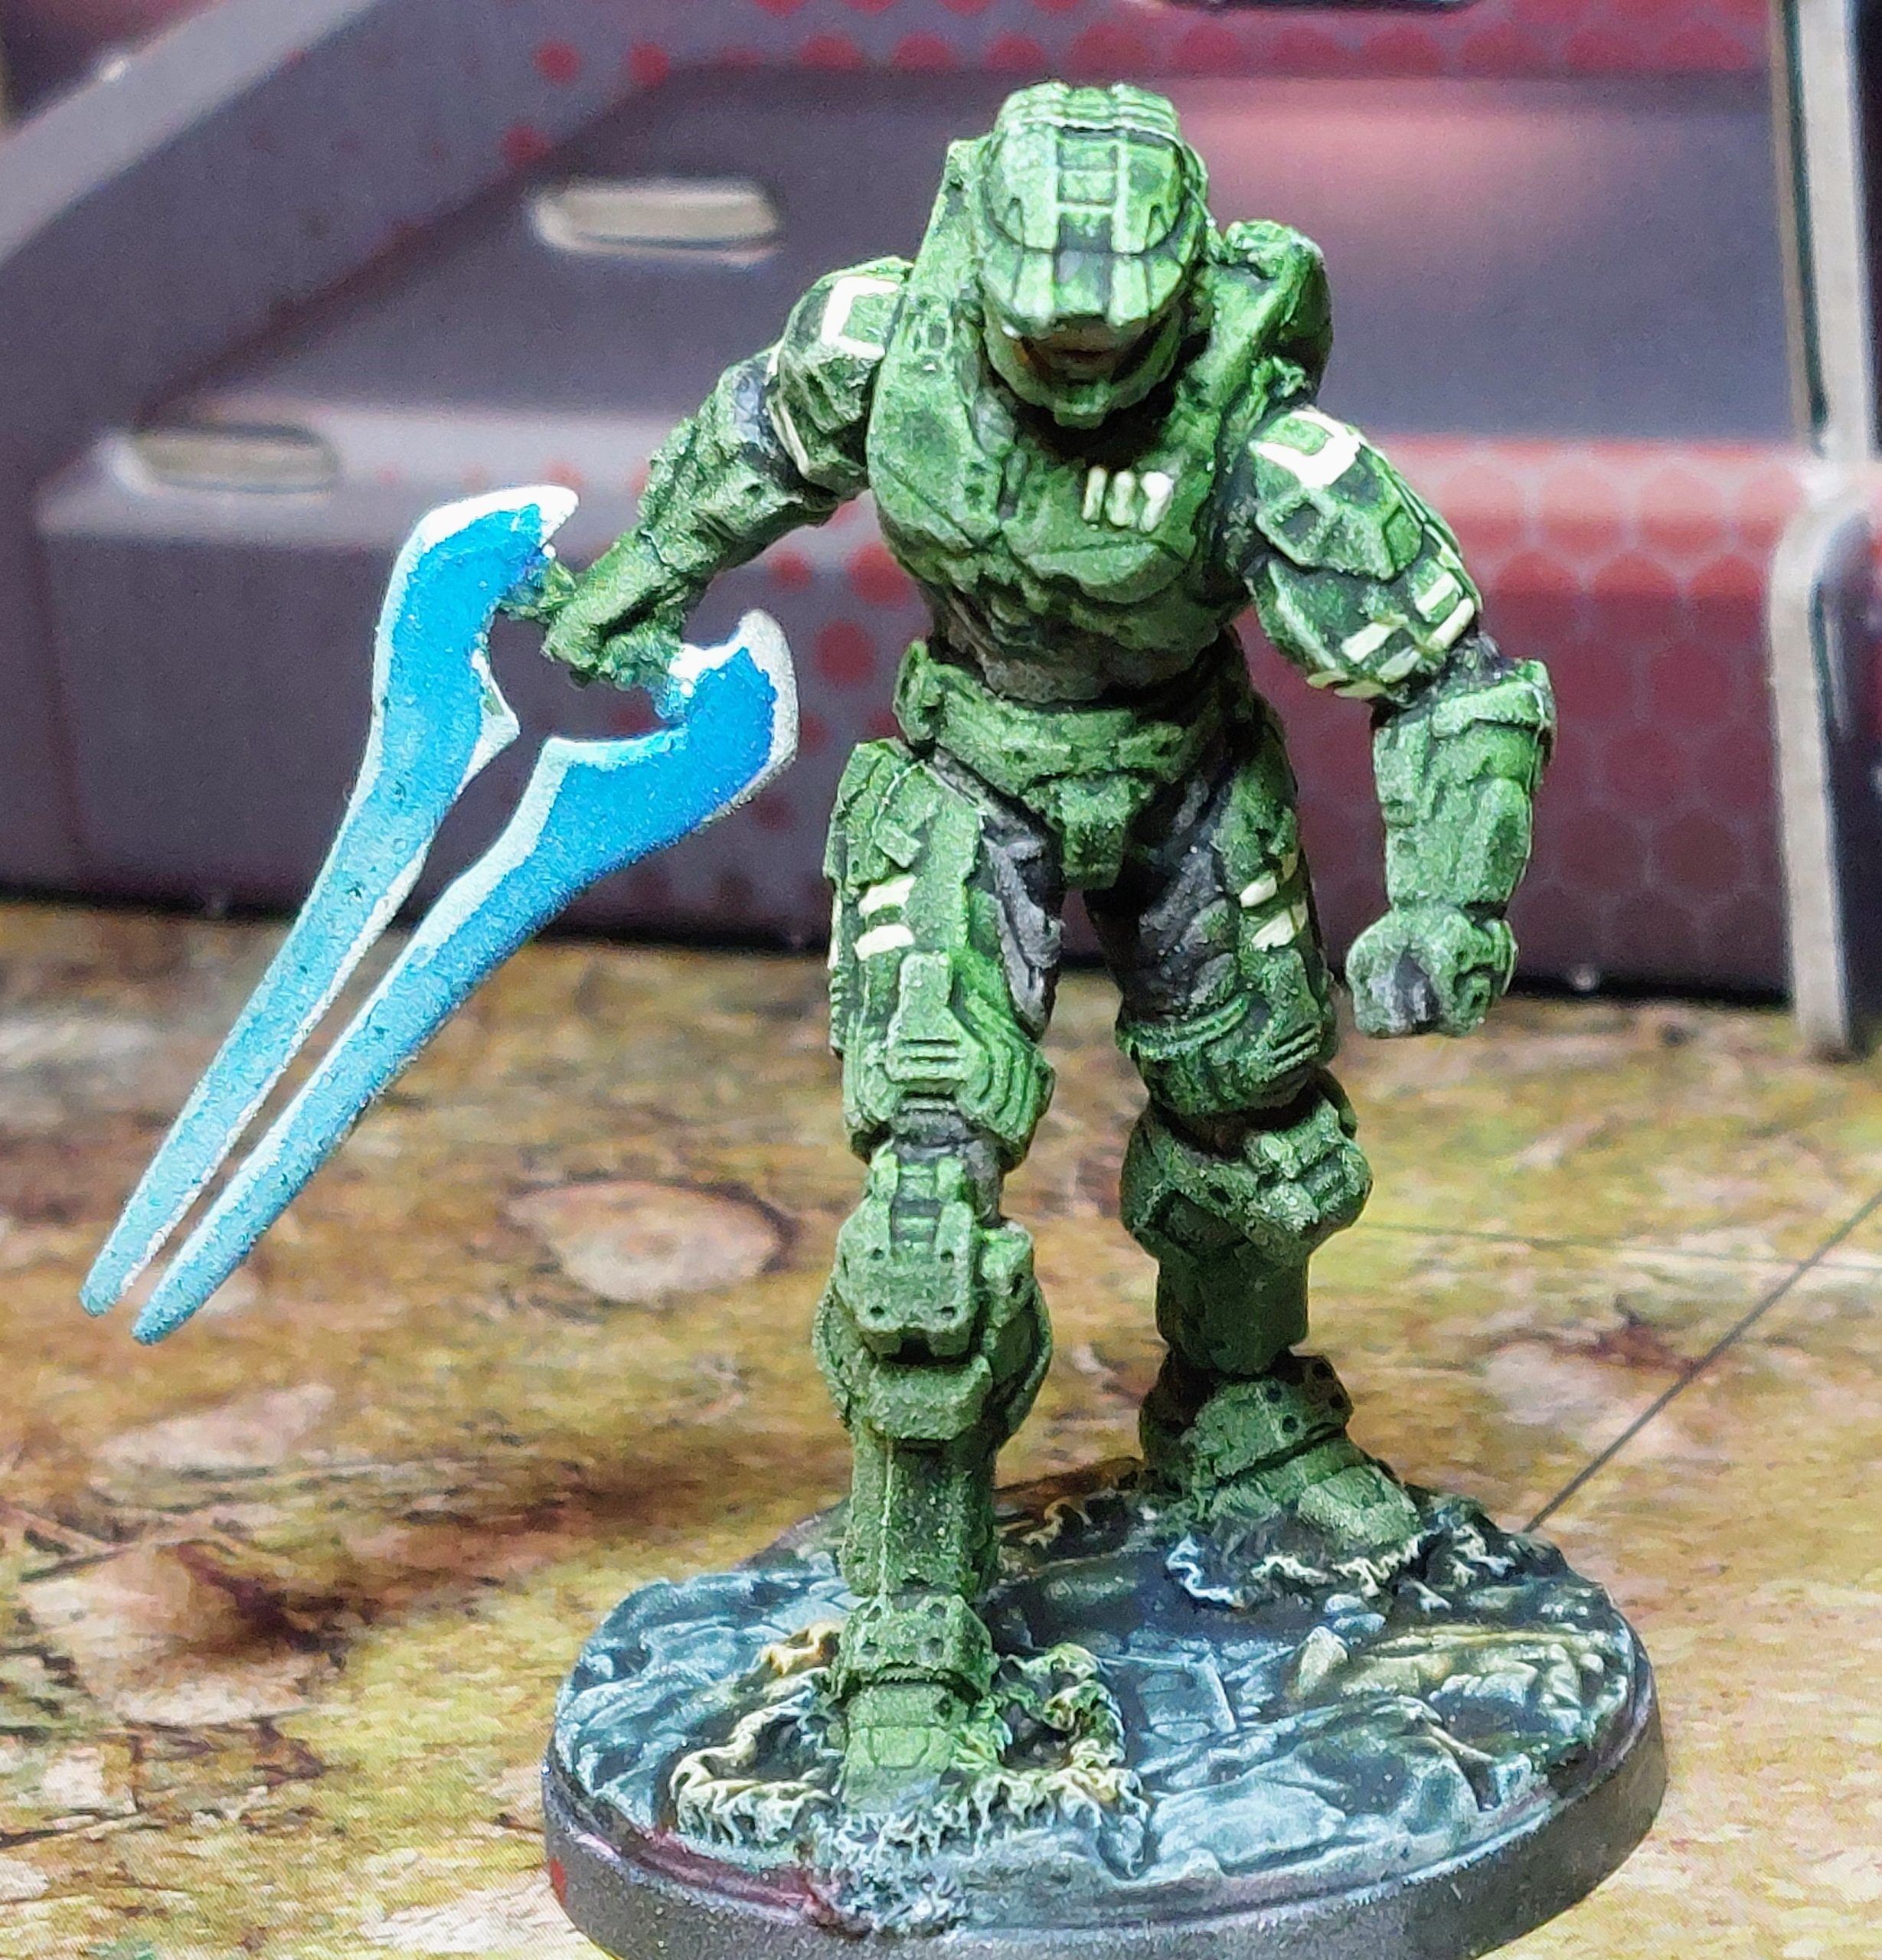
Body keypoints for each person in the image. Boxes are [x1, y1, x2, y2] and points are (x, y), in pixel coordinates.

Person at [515, 80, 1553, 1802]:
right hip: (967, 766)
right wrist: (643, 577)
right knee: (925, 1198)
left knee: (1258, 1142)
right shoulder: (883, 338)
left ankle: (1241, 1416)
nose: (1075, 381)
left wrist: (1448, 898)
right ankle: (914, 1606)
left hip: (1183, 769)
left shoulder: (1257, 435)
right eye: (1042, 338)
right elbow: (754, 443)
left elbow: (1446, 674)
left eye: (1114, 344)